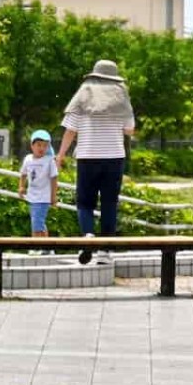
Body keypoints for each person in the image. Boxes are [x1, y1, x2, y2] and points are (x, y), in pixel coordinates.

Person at [55, 60, 135, 265]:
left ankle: (88, 236)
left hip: (88, 156)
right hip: (114, 157)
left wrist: (60, 155)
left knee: (84, 202)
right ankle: (106, 252)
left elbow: (70, 130)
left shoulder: (82, 94)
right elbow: (129, 130)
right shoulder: (121, 97)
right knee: (109, 203)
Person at [19, 129, 59, 240]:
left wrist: (53, 196)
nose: (41, 148)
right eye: (39, 145)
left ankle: (37, 246)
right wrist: (21, 186)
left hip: (44, 197)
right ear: (32, 146)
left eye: (45, 145)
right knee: (38, 222)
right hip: (32, 196)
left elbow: (54, 178)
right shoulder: (28, 159)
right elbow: (23, 174)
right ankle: (46, 247)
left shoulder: (49, 160)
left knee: (37, 223)